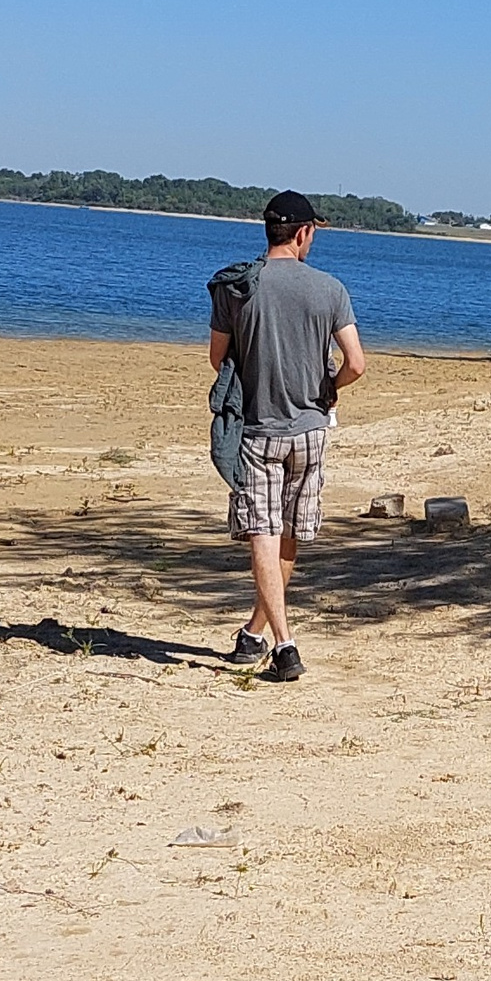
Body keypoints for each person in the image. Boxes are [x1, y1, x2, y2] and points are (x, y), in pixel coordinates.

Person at [208, 191, 363, 683]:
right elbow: (356, 364)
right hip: (311, 431)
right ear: (302, 233)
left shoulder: (237, 287)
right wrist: (328, 387)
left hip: (258, 430)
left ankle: (276, 640)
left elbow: (217, 360)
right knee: (288, 534)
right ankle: (267, 638)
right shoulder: (330, 289)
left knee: (263, 532)